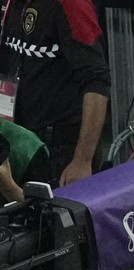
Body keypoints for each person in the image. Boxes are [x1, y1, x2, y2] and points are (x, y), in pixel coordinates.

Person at [0, 0, 108, 185]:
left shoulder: (72, 4)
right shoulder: (12, 4)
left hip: (60, 151)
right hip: (21, 145)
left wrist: (82, 160)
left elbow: (97, 81)